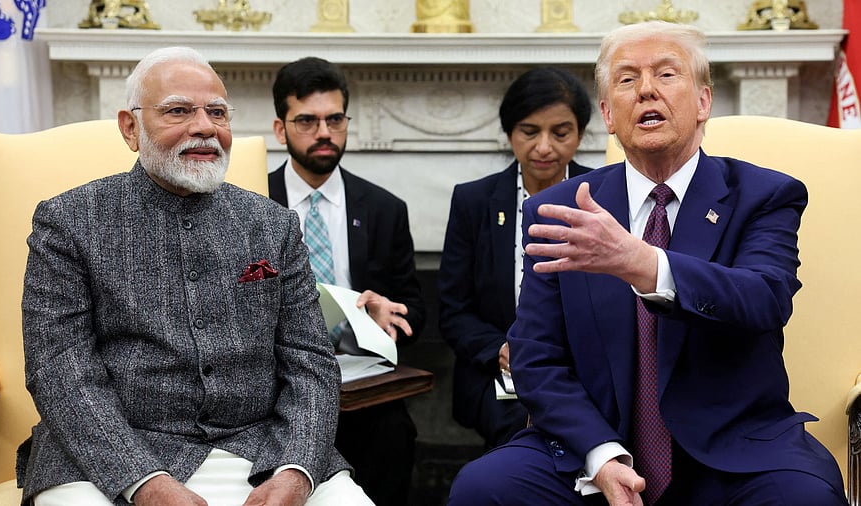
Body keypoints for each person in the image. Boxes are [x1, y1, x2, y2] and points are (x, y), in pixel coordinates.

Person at [448, 21, 847, 506]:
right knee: (482, 489)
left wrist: (644, 263)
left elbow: (764, 299)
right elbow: (535, 356)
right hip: (594, 445)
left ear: (703, 102)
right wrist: (601, 454)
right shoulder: (560, 212)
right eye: (627, 79)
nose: (646, 90)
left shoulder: (764, 196)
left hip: (733, 450)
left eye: (666, 73)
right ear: (607, 115)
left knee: (803, 497)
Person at [17, 46, 373, 506]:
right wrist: (143, 481)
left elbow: (311, 364)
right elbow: (60, 370)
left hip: (260, 449)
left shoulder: (272, 225)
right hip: (108, 455)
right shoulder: (68, 222)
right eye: (178, 111)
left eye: (217, 113)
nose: (204, 127)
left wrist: (297, 470)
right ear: (131, 127)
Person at [267, 56, 426, 506]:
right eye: (307, 121)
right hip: (274, 384)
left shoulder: (383, 209)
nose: (324, 132)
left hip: (360, 382)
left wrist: (386, 315)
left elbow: (416, 309)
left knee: (394, 434)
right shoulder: (251, 203)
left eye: (335, 119)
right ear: (281, 130)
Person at [438, 67, 592, 450]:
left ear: (580, 135)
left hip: (584, 367)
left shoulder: (603, 197)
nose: (544, 147)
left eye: (560, 133)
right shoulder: (474, 201)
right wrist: (500, 350)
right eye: (529, 132)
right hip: (498, 371)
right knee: (522, 433)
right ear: (510, 133)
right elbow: (454, 311)